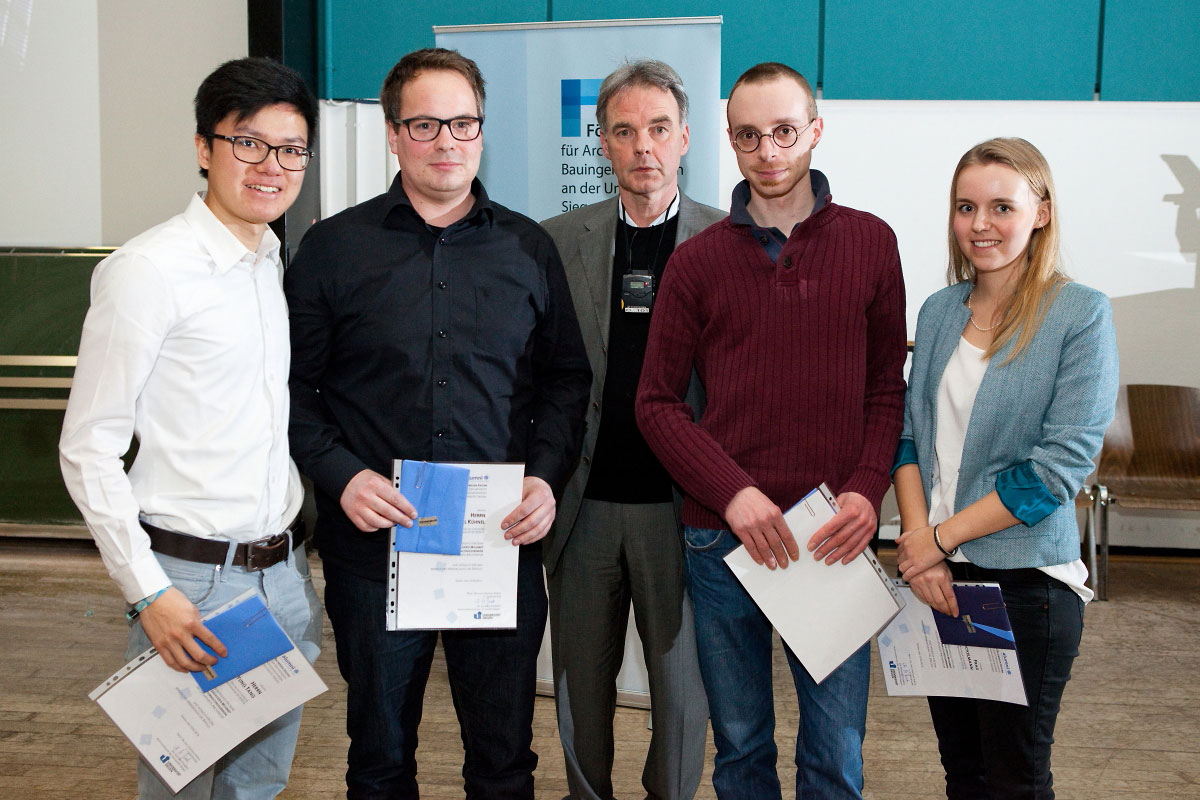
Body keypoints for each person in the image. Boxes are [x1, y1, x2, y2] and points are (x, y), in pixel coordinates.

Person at [284, 48, 591, 799]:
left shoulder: (529, 248)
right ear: (393, 134)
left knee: (504, 762)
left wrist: (546, 479)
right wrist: (340, 475)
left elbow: (566, 380)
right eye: (424, 124)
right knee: (379, 760)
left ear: (482, 130)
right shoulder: (333, 249)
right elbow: (290, 388)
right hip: (376, 549)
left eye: (462, 123)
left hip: (497, 544)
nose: (446, 141)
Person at [635, 62, 907, 799]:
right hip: (724, 539)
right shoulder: (695, 263)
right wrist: (734, 495)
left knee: (835, 756)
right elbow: (656, 404)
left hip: (833, 533)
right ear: (729, 140)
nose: (769, 151)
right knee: (742, 750)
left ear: (815, 130)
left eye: (785, 131)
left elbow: (886, 388)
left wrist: (865, 490)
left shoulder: (872, 243)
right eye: (749, 136)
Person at [59, 57, 322, 799]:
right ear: (205, 148)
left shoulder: (269, 260)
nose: (272, 166)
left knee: (258, 785)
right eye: (249, 143)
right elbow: (87, 448)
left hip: (282, 574)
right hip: (190, 584)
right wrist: (149, 593)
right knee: (183, 787)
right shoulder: (147, 270)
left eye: (291, 149)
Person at [892, 137, 1118, 799]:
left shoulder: (1079, 313)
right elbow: (908, 438)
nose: (980, 224)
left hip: (1023, 586)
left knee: (1014, 780)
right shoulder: (939, 312)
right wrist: (921, 548)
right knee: (963, 776)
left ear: (1041, 212)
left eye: (1001, 207)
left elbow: (1056, 471)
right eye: (966, 207)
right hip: (938, 580)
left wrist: (938, 539)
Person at [540, 59, 722, 800]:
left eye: (658, 128)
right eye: (623, 131)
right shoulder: (556, 240)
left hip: (685, 514)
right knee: (579, 690)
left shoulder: (728, 241)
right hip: (583, 508)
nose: (643, 146)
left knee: (683, 699)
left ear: (685, 138)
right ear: (602, 144)